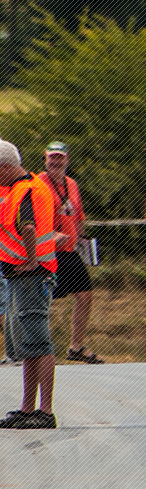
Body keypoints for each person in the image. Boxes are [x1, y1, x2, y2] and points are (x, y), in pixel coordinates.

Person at [0, 140, 59, 429]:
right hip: (22, 275)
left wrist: (32, 260)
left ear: (6, 167)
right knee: (28, 344)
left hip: (31, 275)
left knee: (39, 342)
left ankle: (44, 412)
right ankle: (27, 409)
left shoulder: (26, 190)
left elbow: (28, 226)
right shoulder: (21, 186)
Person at [40, 142, 102, 363]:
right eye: (52, 157)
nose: (56, 162)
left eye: (60, 157)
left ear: (67, 159)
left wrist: (82, 240)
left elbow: (78, 216)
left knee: (85, 295)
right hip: (48, 250)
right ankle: (37, 349)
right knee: (44, 301)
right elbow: (33, 218)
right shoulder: (38, 183)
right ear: (45, 159)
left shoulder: (72, 184)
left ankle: (76, 347)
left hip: (70, 250)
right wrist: (50, 235)